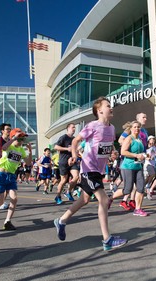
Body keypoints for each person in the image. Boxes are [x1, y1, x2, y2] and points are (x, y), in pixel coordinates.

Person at [54, 96, 127, 251]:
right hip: (88, 168)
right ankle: (107, 239)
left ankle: (61, 220)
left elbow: (107, 146)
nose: (111, 107)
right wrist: (74, 155)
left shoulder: (112, 128)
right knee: (104, 200)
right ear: (99, 110)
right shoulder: (92, 125)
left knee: (84, 199)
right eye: (108, 105)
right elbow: (75, 141)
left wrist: (112, 153)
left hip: (98, 171)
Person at [0, 128, 32, 230]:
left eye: (23, 139)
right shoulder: (9, 146)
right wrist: (13, 139)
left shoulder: (21, 150)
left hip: (11, 176)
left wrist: (30, 151)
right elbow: (3, 148)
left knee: (14, 198)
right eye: (20, 138)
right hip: (1, 174)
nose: (22, 141)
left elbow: (29, 162)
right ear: (14, 137)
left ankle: (7, 221)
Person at [110, 120, 148, 216]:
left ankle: (138, 209)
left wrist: (145, 155)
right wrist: (136, 155)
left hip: (138, 166)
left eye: (138, 127)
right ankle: (110, 198)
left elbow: (140, 153)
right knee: (127, 190)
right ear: (131, 129)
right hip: (128, 166)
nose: (136, 129)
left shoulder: (139, 140)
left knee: (141, 188)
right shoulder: (128, 139)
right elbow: (123, 152)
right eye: (134, 127)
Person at [54, 123, 80, 204]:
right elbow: (56, 147)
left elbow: (75, 150)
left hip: (72, 161)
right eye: (72, 127)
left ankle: (68, 191)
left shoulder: (74, 139)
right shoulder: (64, 137)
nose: (74, 129)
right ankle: (58, 196)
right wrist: (66, 149)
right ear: (68, 128)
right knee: (64, 180)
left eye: (75, 127)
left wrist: (75, 156)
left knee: (76, 177)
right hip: (64, 161)